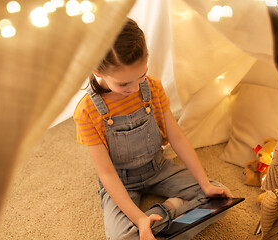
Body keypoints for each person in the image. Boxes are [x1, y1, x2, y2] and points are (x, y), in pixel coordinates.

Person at [73, 18, 233, 240]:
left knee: (220, 198)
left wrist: (205, 185)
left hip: (157, 167)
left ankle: (164, 213)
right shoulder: (86, 112)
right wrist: (139, 219)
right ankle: (161, 218)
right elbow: (107, 174)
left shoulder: (153, 88)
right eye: (124, 83)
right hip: (121, 180)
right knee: (122, 238)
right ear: (98, 70)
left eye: (141, 75)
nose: (135, 87)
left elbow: (178, 139)